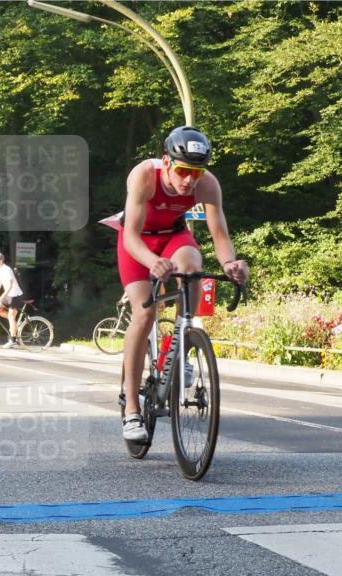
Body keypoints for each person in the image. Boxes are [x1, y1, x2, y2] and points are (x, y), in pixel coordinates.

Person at [116, 125, 248, 442]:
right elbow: (131, 236)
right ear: (167, 162)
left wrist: (230, 264)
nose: (189, 180)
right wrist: (152, 261)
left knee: (192, 267)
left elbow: (220, 235)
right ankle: (132, 408)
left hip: (174, 236)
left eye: (196, 173)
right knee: (145, 314)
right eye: (183, 171)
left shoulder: (208, 184)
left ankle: (181, 348)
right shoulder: (144, 176)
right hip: (138, 243)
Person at [0, 252, 25, 348]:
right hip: (9, 295)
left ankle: (13, 340)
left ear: (0, 260)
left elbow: (9, 286)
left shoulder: (7, 270)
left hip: (15, 296)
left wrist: (1, 297)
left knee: (11, 317)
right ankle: (14, 325)